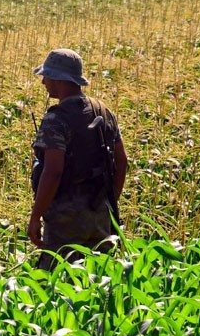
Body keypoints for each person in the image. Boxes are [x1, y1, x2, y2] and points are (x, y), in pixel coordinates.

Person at [28, 49, 128, 270]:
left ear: (59, 79)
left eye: (47, 76)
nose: (44, 82)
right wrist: (110, 201)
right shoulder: (103, 111)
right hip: (101, 210)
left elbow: (53, 172)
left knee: (56, 277)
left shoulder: (56, 119)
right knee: (99, 276)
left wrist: (35, 217)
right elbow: (122, 161)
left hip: (66, 217)